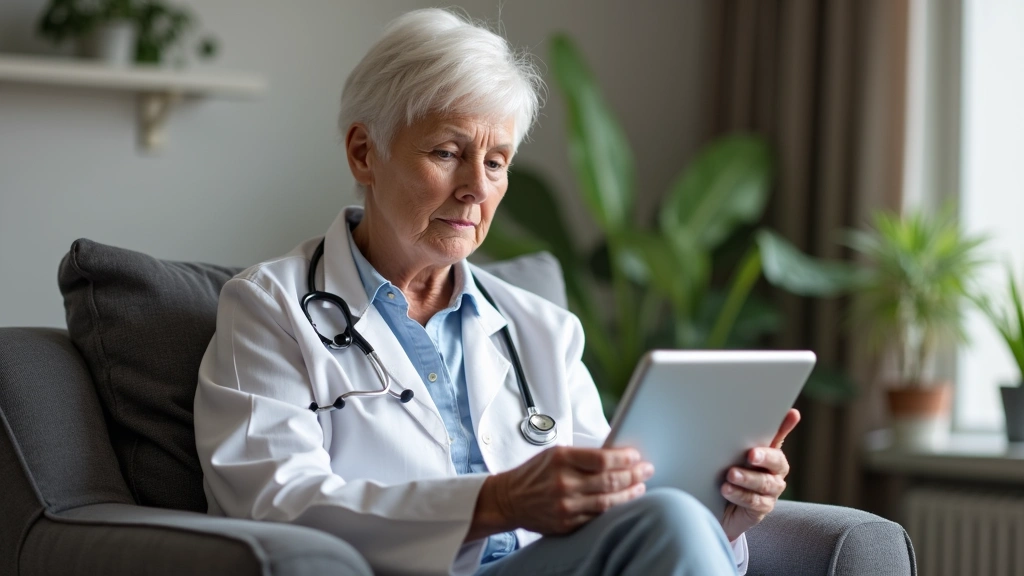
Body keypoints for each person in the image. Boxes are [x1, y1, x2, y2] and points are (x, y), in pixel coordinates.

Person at [193, 8, 799, 576]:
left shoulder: (544, 328)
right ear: (363, 153)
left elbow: (626, 509)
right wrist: (496, 501)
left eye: (497, 162)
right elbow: (274, 503)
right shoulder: (269, 307)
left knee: (673, 514)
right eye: (447, 153)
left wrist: (722, 513)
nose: (474, 189)